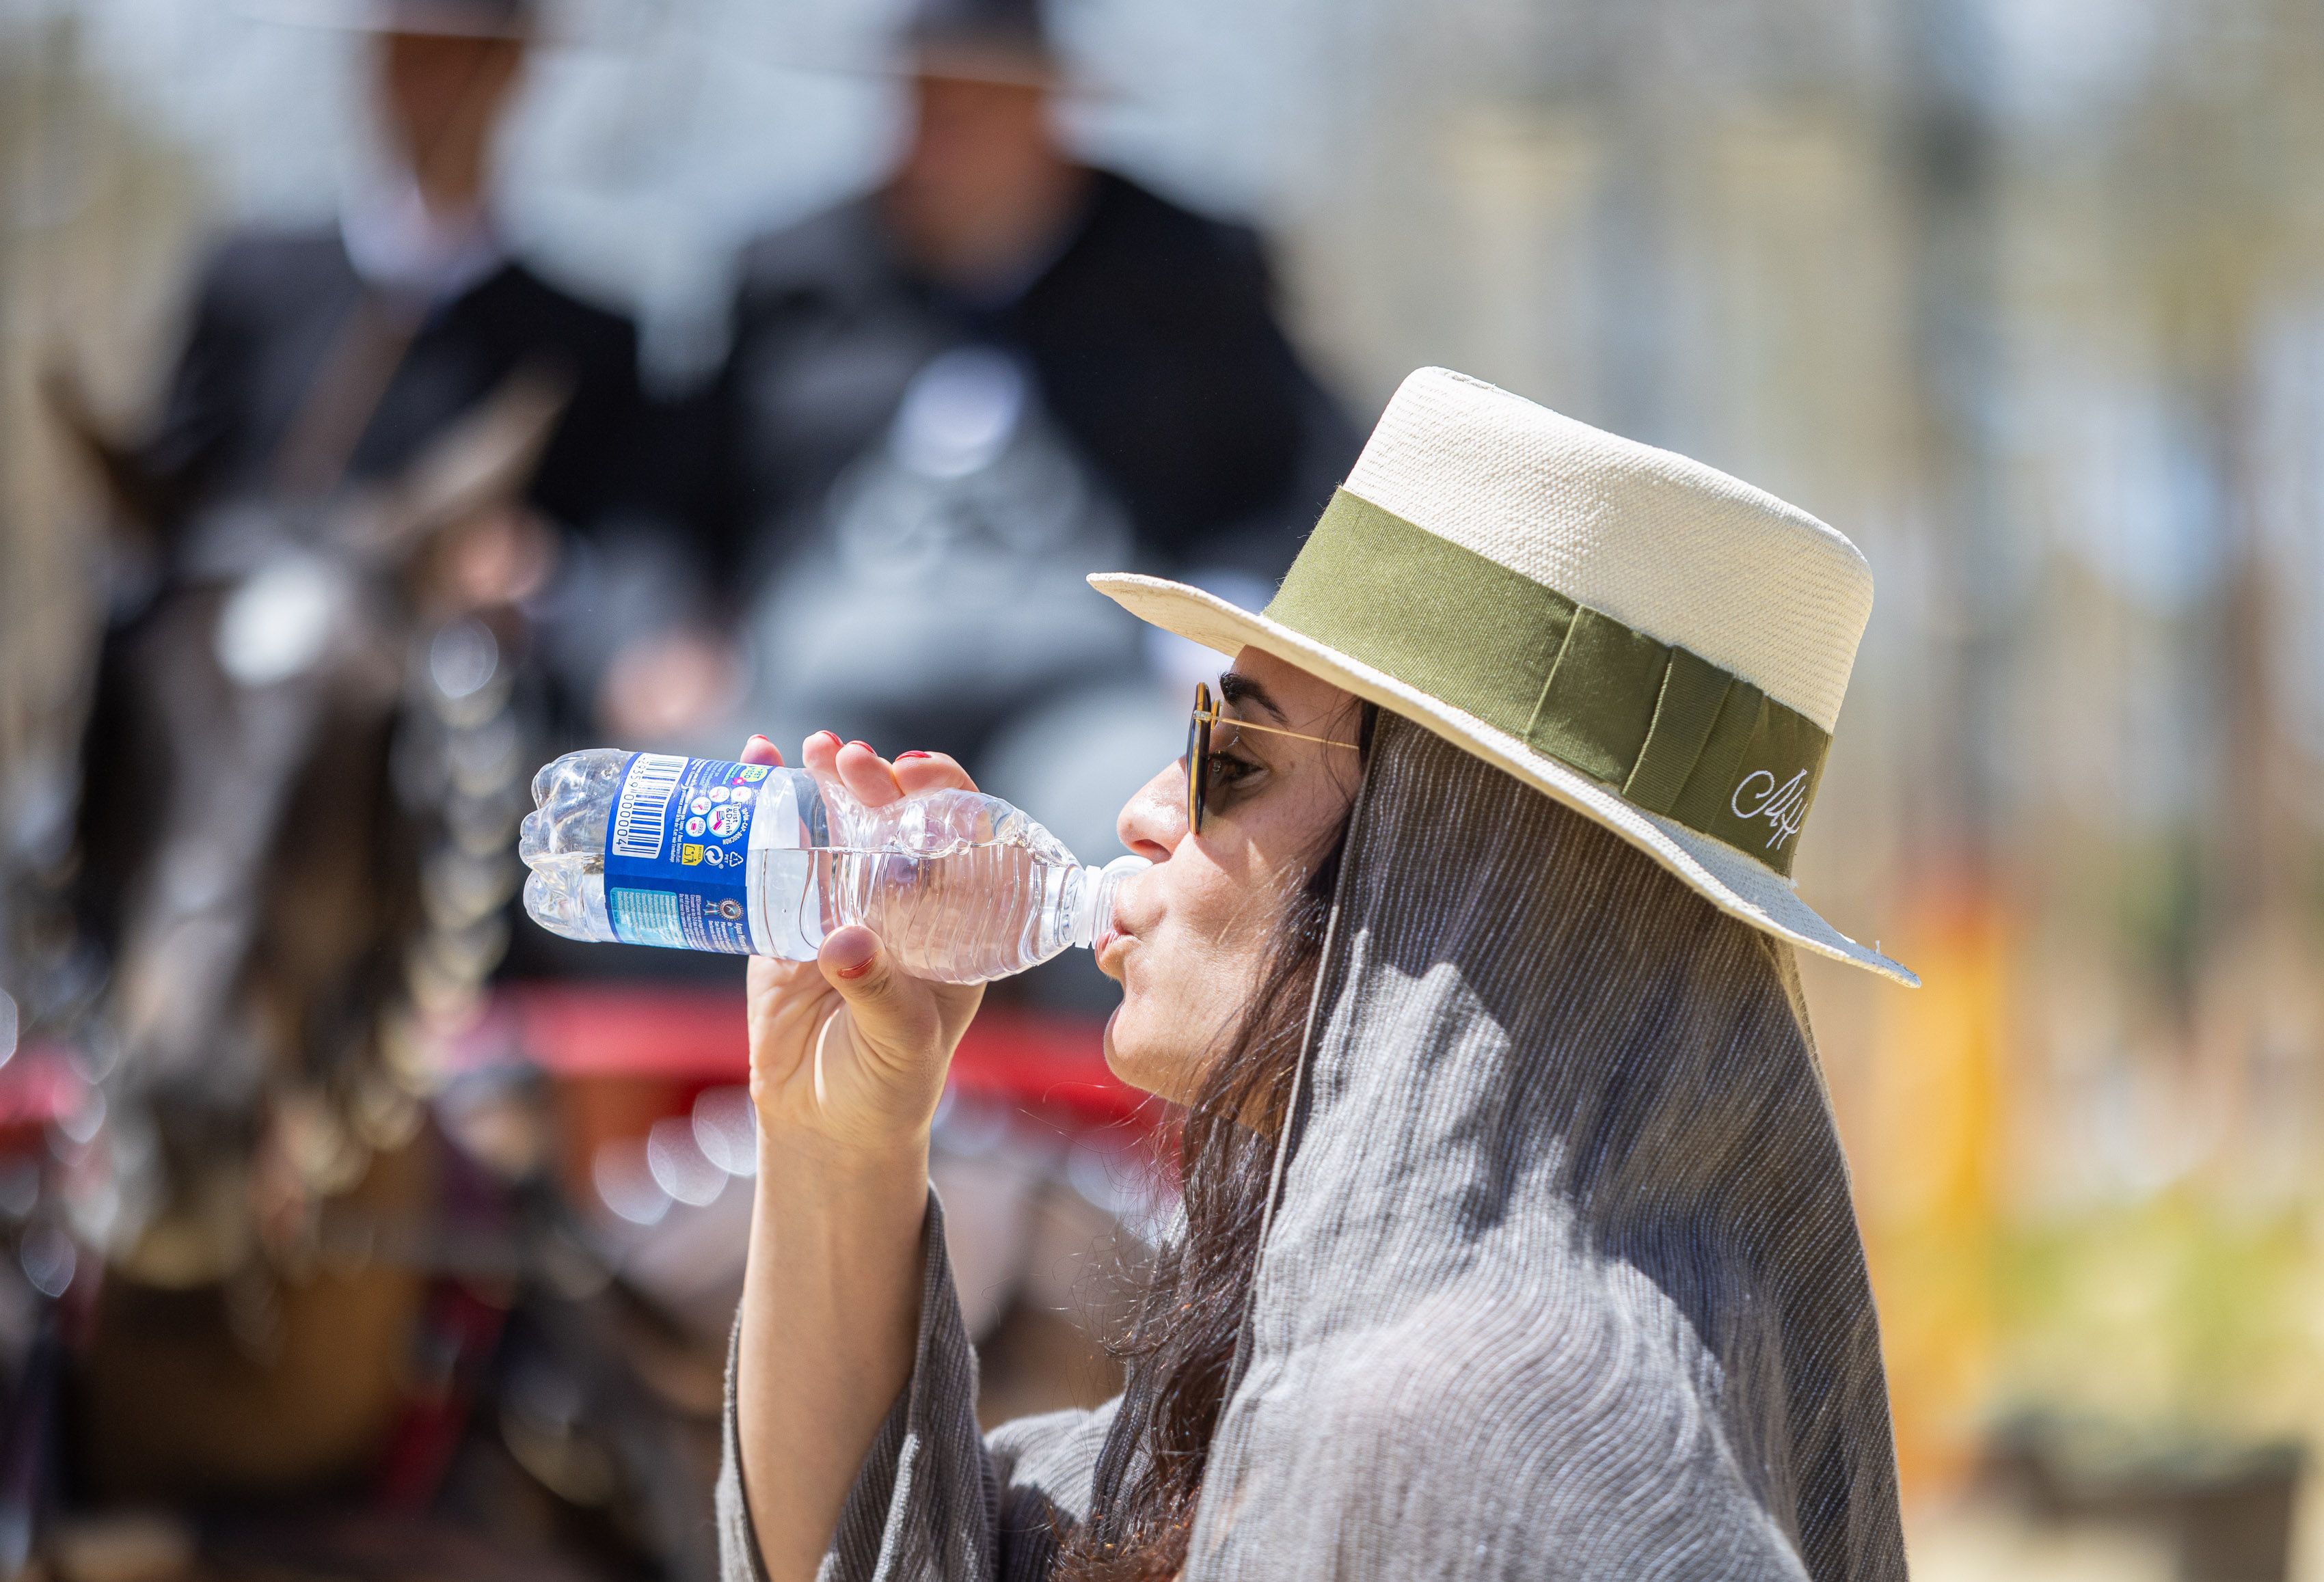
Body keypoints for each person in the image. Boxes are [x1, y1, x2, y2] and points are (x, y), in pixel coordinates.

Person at [714, 368, 1917, 1580]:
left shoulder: (1454, 1436)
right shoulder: (1416, 1371)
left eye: (1229, 759)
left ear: (1445, 874)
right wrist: (842, 1143)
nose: (1140, 811)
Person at [696, 0, 1355, 599]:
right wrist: (666, 634)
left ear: (1046, 113)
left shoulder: (1189, 271)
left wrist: (1224, 604)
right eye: (918, 103)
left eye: (963, 114)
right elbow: (676, 495)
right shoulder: (795, 277)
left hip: (1105, 665)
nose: (926, 146)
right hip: (822, 649)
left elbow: (1306, 473)